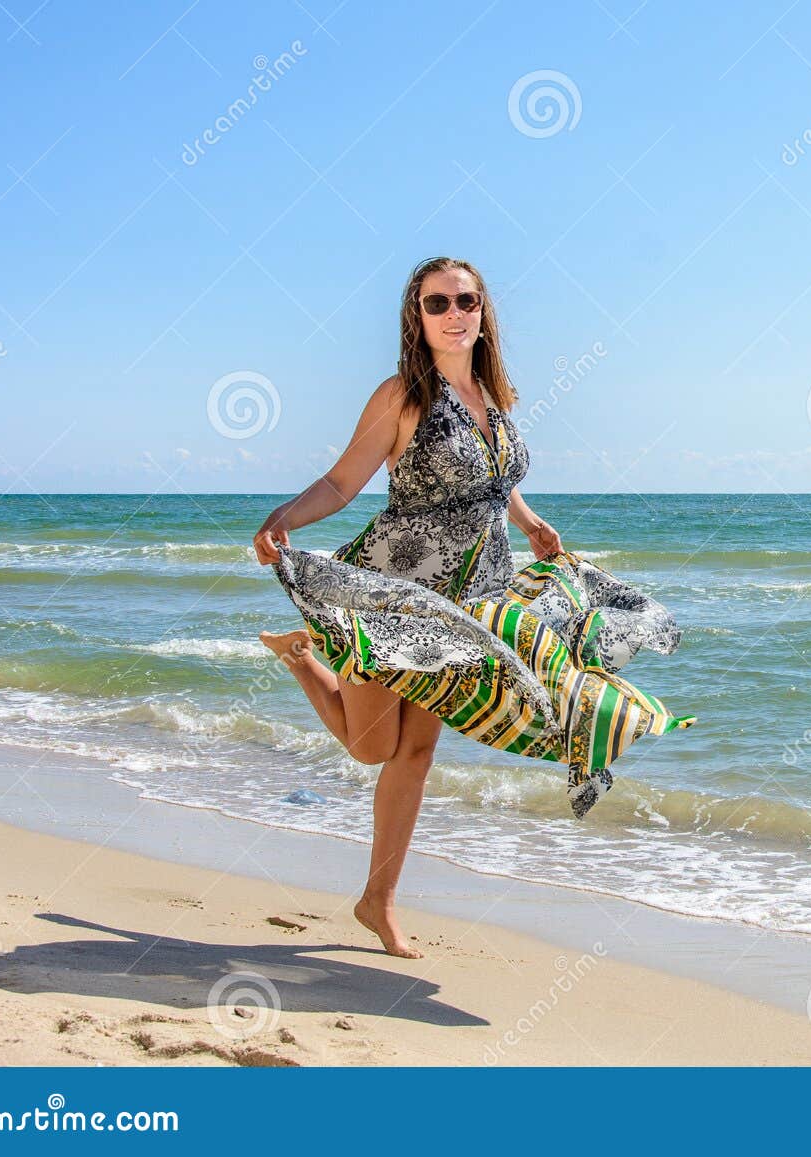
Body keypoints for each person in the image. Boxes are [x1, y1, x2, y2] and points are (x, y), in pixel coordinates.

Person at [252, 256, 692, 956]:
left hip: (473, 603)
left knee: (418, 751)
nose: (454, 312)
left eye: (466, 300)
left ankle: (378, 900)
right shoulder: (402, 397)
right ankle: (308, 659)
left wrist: (530, 523)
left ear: (483, 311)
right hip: (399, 598)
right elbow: (341, 483)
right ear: (416, 317)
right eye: (438, 303)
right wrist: (285, 519)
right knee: (373, 748)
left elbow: (494, 484)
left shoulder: (495, 397)